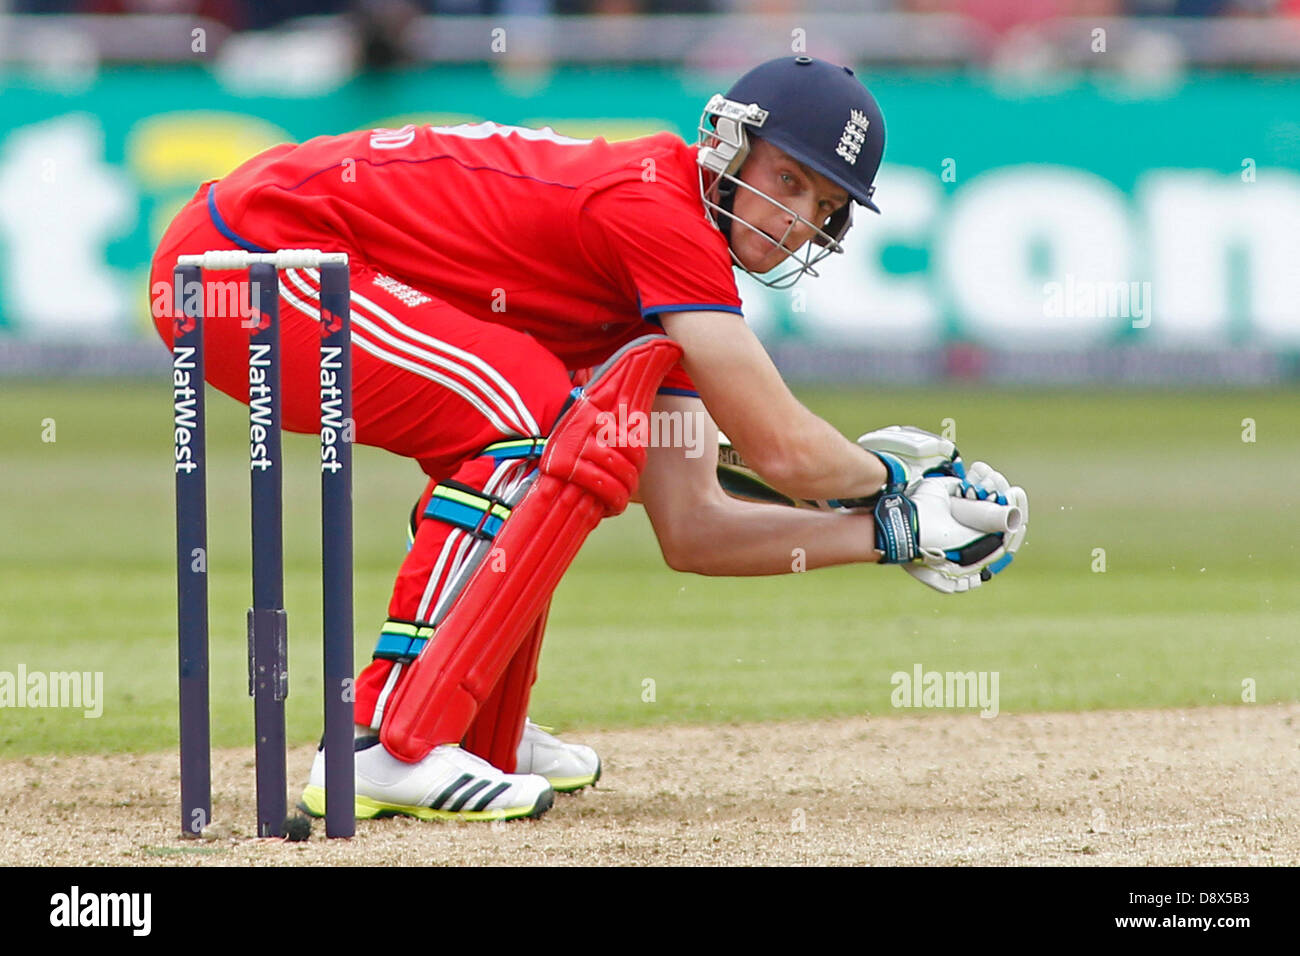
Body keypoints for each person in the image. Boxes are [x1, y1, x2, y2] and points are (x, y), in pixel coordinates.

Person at [150, 55, 1025, 824]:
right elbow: (785, 451)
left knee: (564, 426)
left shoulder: (679, 285)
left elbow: (693, 523)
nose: (794, 218)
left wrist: (892, 530)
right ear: (727, 145)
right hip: (243, 260)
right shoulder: (659, 209)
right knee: (528, 408)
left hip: (276, 261)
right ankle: (388, 743)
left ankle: (468, 724)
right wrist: (895, 475)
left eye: (823, 205)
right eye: (788, 180)